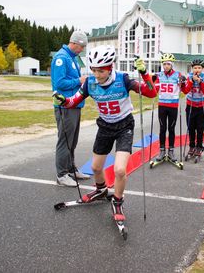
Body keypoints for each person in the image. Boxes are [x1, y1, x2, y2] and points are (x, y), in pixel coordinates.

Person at [53, 45, 157, 221]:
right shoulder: (90, 83)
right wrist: (63, 101)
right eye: (94, 70)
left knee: (120, 170)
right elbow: (73, 101)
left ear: (110, 68)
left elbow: (151, 92)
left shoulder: (123, 79)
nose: (97, 75)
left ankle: (117, 201)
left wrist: (145, 73)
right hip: (105, 127)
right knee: (95, 168)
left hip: (124, 126)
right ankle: (101, 190)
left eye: (101, 71)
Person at [51, 30, 91, 187]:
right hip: (65, 106)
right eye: (81, 47)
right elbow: (59, 83)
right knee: (65, 140)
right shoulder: (62, 58)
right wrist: (79, 80)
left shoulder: (72, 58)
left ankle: (70, 169)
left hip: (74, 105)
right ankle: (62, 174)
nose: (82, 50)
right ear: (74, 43)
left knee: (72, 141)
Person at [153, 53, 186, 162]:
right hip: (162, 105)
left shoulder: (178, 75)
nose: (166, 66)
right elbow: (154, 91)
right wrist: (151, 82)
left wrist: (184, 82)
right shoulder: (159, 75)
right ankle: (162, 150)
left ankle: (171, 151)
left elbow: (184, 90)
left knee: (171, 129)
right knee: (162, 129)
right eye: (164, 64)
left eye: (168, 64)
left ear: (172, 65)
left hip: (173, 106)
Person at [182, 59, 204, 158]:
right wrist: (191, 81)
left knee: (200, 128)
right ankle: (191, 146)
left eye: (199, 68)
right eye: (195, 68)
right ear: (192, 69)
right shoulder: (189, 77)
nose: (197, 70)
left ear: (202, 69)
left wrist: (200, 82)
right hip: (190, 106)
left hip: (202, 106)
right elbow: (185, 91)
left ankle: (199, 146)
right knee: (191, 127)